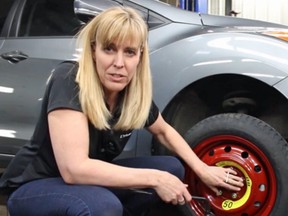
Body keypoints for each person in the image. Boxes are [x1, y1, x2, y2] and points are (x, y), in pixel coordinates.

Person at [0, 6, 243, 216]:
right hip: (35, 187)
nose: (119, 63)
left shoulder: (130, 92)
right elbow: (74, 169)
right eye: (109, 49)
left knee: (171, 168)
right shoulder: (71, 79)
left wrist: (202, 169)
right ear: (94, 51)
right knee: (104, 205)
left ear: (139, 57)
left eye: (129, 52)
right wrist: (155, 179)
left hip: (85, 184)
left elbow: (164, 132)